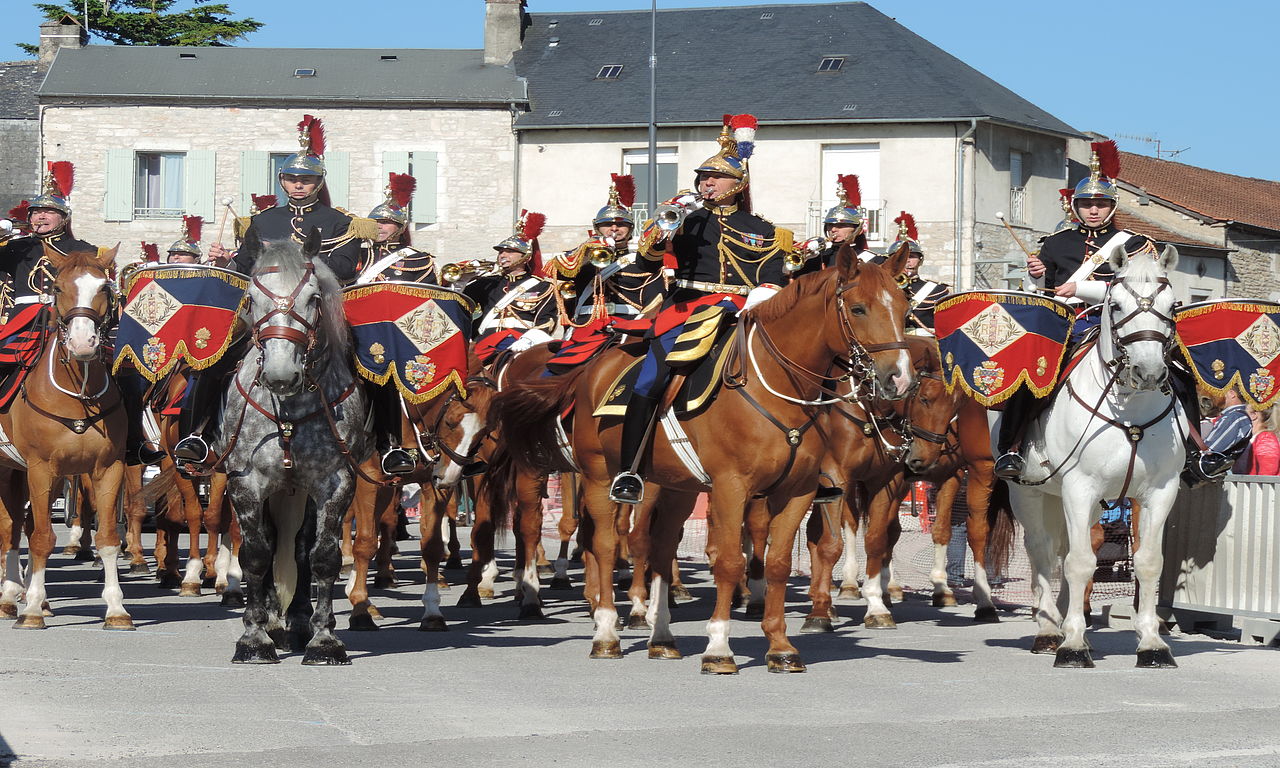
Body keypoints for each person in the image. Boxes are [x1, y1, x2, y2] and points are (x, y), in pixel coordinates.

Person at [993, 140, 1228, 481]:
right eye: (1086, 204)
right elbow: (1045, 293)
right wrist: (1037, 276)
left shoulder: (1134, 244)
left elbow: (1141, 291)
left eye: (1100, 204)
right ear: (1076, 207)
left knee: (1179, 372)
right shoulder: (1056, 243)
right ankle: (1012, 448)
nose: (1093, 210)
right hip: (1071, 323)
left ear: (1112, 206)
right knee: (1032, 373)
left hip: (1126, 321)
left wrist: (1081, 288)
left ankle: (1195, 453)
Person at [174, 115, 376, 472]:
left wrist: (297, 261)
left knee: (374, 360)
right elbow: (245, 265)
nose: (299, 185)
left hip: (317, 311)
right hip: (265, 311)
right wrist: (226, 261)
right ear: (282, 181)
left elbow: (346, 268)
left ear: (318, 183)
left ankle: (387, 443)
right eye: (292, 179)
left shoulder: (340, 222)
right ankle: (198, 434)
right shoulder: (263, 221)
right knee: (213, 357)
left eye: (307, 180)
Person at [609, 113, 793, 504]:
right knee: (651, 377)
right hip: (688, 310)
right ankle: (630, 470)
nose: (707, 183)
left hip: (746, 309)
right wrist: (664, 226)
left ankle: (810, 464)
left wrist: (757, 300)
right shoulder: (686, 219)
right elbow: (646, 261)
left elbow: (774, 275)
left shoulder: (765, 230)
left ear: (738, 183)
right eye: (703, 177)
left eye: (716, 177)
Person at [353, 173, 435, 475]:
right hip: (353, 332)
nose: (380, 227)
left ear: (400, 227)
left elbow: (429, 305)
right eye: (376, 222)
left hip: (395, 336)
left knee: (385, 377)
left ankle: (392, 444)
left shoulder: (418, 261)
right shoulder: (355, 257)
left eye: (387, 222)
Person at [541, 174, 666, 373]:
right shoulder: (583, 256)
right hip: (587, 327)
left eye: (621, 225)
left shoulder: (641, 260)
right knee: (551, 374)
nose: (614, 229)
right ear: (597, 228)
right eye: (607, 225)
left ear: (630, 229)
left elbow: (656, 296)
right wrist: (586, 252)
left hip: (628, 328)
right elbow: (554, 270)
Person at [462, 211, 561, 364]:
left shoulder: (543, 287)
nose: (503, 255)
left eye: (510, 252)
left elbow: (547, 320)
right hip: (486, 342)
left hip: (522, 341)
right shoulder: (486, 283)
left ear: (525, 257)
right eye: (501, 251)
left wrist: (529, 339)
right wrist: (462, 281)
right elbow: (461, 304)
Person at [887, 211, 948, 334]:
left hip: (926, 342)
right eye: (901, 257)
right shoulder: (883, 287)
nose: (907, 261)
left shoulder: (936, 290)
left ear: (920, 260)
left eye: (912, 256)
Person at [1245, 405, 1279, 476]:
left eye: (1245, 413)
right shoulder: (1256, 437)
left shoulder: (1266, 438)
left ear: (1253, 415)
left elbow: (1267, 474)